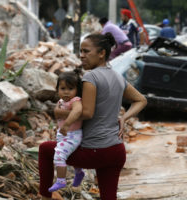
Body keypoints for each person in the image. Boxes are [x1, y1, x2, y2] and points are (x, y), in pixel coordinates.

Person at [38, 32, 147, 200]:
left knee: (45, 149)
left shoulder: (91, 76)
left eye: (86, 51)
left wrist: (59, 112)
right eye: (80, 51)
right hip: (116, 151)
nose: (81, 56)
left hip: (95, 151)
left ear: (102, 53)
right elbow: (141, 100)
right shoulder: (118, 77)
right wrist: (124, 118)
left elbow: (87, 113)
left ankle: (45, 196)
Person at [48, 70, 84, 192]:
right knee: (71, 156)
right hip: (64, 134)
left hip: (73, 135)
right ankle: (79, 173)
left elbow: (77, 111)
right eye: (63, 88)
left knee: (59, 155)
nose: (66, 92)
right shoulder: (61, 102)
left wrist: (67, 124)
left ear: (77, 90)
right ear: (57, 89)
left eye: (70, 88)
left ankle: (61, 181)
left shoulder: (75, 101)